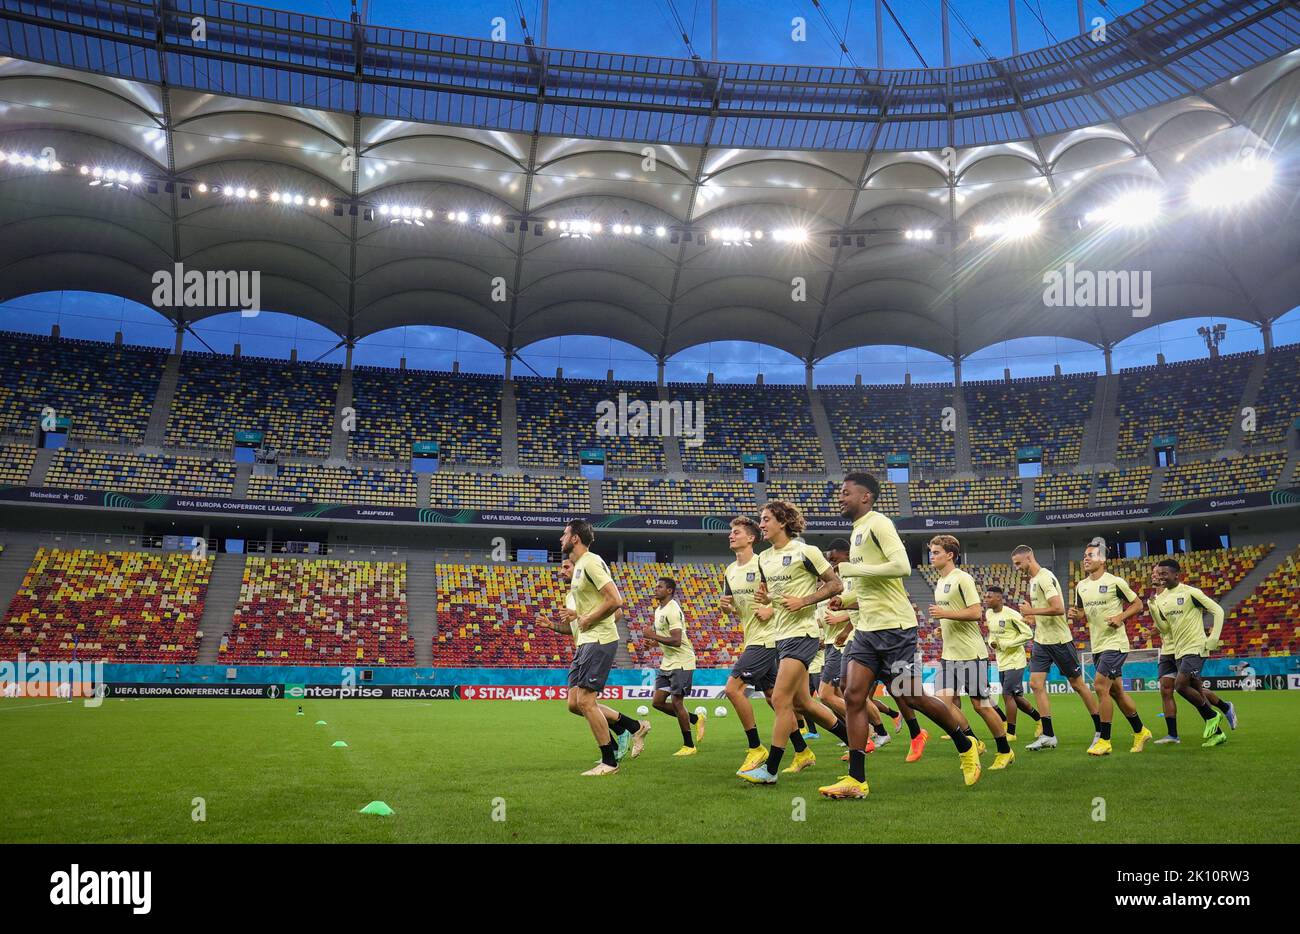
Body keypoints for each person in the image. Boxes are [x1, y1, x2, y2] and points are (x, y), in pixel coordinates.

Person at [818, 473, 982, 800]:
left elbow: (902, 566)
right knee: (852, 696)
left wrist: (854, 570)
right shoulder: (857, 531)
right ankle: (856, 779)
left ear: (865, 497)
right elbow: (868, 588)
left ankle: (966, 746)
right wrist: (846, 599)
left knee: (913, 697)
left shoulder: (879, 524)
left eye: (846, 492)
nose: (840, 497)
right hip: (866, 630)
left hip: (895, 629)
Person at [737, 501, 852, 784]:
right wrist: (767, 601)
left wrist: (805, 600)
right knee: (804, 702)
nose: (761, 524)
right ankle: (856, 740)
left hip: (803, 635)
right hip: (780, 635)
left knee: (779, 699)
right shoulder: (764, 558)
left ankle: (771, 770)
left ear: (782, 522)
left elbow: (835, 585)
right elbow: (775, 596)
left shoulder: (806, 551)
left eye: (765, 519)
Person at [541, 520, 647, 775]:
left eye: (564, 534)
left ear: (575, 538)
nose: (560, 539)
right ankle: (633, 726)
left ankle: (609, 761)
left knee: (586, 700)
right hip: (586, 641)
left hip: (599, 639)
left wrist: (587, 618)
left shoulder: (591, 562)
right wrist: (576, 619)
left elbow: (616, 600)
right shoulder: (579, 568)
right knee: (575, 703)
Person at [928, 535, 1013, 771]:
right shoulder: (940, 581)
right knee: (942, 703)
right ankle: (972, 740)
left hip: (971, 653)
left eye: (936, 552)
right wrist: (941, 628)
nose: (931, 556)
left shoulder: (962, 579)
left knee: (981, 705)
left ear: (950, 555)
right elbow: (953, 613)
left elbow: (976, 613)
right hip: (950, 654)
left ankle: (1005, 751)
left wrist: (945, 616)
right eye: (931, 552)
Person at [1011, 544, 1102, 751]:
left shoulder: (1044, 577)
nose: (1016, 568)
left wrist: (1032, 610)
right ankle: (1048, 735)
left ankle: (1100, 730)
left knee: (1078, 685)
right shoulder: (1033, 581)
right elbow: (1046, 611)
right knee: (1035, 684)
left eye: (1018, 563)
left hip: (1059, 640)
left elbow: (1058, 608)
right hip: (1042, 641)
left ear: (1029, 557)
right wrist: (1033, 617)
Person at [1069, 537, 1152, 756]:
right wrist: (1076, 615)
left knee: (1099, 686)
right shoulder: (1081, 586)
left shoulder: (1115, 582)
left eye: (1091, 555)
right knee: (1116, 692)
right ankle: (1141, 731)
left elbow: (1138, 604)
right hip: (1097, 645)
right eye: (1085, 555)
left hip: (1115, 643)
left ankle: (1104, 740)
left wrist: (1121, 616)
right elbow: (1082, 614)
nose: (1086, 559)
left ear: (1103, 559)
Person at [1148, 559, 1234, 748]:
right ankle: (1217, 728)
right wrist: (1153, 609)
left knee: (1180, 686)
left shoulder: (1191, 592)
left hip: (1195, 647)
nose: (1161, 577)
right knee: (1193, 689)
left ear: (1176, 575)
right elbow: (1164, 627)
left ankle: (1213, 716)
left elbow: (1218, 610)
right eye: (1159, 574)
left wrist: (1214, 638)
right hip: (1178, 650)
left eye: (1164, 574)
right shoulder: (1161, 599)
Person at [720, 515, 782, 774]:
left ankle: (756, 748)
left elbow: (783, 596)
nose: (731, 535)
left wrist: (772, 609)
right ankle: (803, 751)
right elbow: (738, 611)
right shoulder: (729, 571)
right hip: (752, 639)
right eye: (731, 532)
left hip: (767, 639)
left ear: (751, 538)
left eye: (737, 532)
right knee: (774, 699)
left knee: (733, 689)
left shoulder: (763, 564)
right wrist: (730, 608)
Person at [641, 576, 705, 756]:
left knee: (677, 702)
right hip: (668, 662)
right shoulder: (658, 610)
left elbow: (676, 641)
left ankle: (689, 746)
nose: (656, 589)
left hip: (682, 661)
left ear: (669, 590)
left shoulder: (672, 609)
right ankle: (695, 718)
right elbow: (666, 638)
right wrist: (653, 644)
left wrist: (652, 636)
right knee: (658, 702)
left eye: (660, 586)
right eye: (656, 586)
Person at [983, 585, 1042, 742]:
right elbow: (992, 635)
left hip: (1015, 661)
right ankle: (1039, 719)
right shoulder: (988, 614)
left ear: (999, 598)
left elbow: (1028, 633)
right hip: (1001, 661)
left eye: (989, 597)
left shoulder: (1011, 614)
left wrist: (1007, 644)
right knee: (1016, 697)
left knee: (1007, 695)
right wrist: (992, 643)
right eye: (986, 596)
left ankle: (1011, 732)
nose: (986, 599)